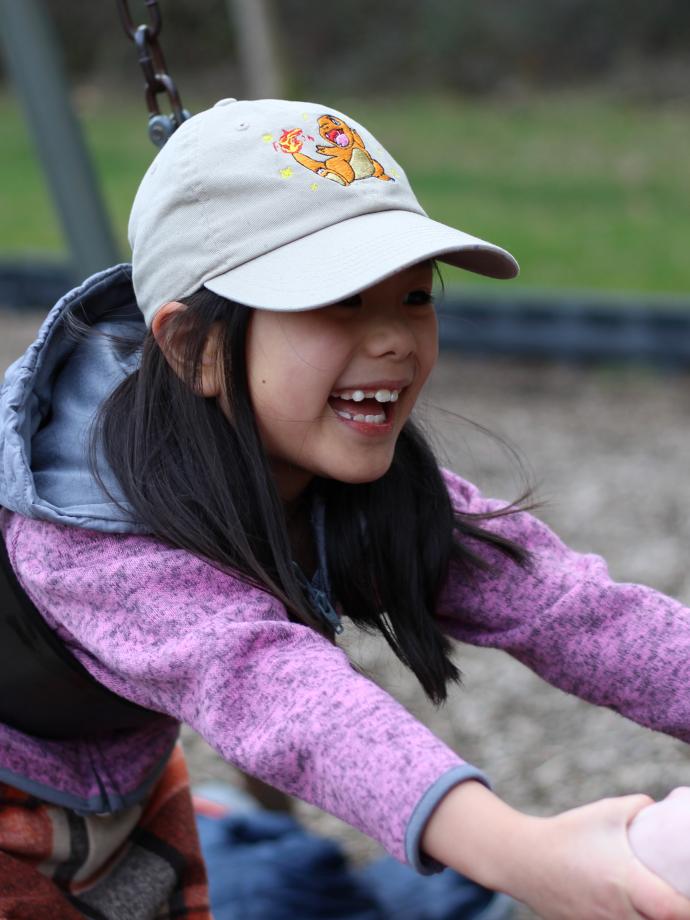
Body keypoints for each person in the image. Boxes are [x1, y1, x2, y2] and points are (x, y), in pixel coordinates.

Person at [0, 97, 689, 920]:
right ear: (193, 347)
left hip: (113, 774)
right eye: (340, 301)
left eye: (413, 298)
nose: (395, 340)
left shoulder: (347, 474)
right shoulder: (90, 535)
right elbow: (288, 702)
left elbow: (571, 610)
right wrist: (524, 856)